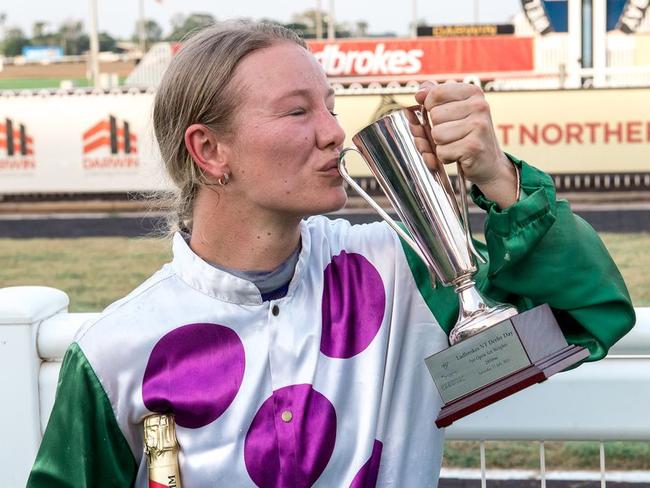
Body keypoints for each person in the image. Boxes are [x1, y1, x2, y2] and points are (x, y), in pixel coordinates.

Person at [28, 21, 634, 487]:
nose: (334, 132)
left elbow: (585, 319)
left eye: (332, 106)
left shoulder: (400, 268)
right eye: (298, 111)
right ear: (210, 150)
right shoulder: (113, 351)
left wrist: (499, 177)